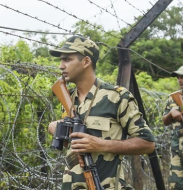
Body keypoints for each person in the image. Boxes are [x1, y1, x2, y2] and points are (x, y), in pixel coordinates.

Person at [47, 35, 155, 190]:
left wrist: (101, 145)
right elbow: (70, 144)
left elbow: (147, 143)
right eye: (61, 60)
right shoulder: (69, 98)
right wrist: (57, 129)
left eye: (67, 60)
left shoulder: (117, 97)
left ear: (85, 61)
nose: (61, 66)